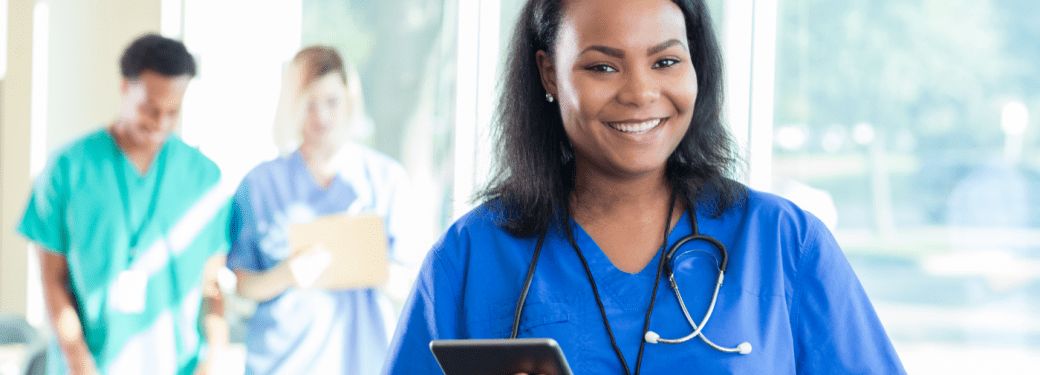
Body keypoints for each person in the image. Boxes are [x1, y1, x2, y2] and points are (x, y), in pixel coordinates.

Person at [383, 0, 906, 373]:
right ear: (549, 74)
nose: (639, 92)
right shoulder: (472, 255)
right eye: (603, 66)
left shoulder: (784, 242)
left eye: (666, 61)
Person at [18, 34, 230, 375]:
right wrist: (78, 360)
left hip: (180, 366)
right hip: (89, 366)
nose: (160, 123)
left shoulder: (204, 179)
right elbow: (51, 279)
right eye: (150, 109)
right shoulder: (67, 169)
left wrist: (215, 358)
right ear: (124, 88)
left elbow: (212, 286)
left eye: (172, 112)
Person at [227, 46, 413, 375]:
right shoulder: (259, 184)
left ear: (350, 101)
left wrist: (368, 262)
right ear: (291, 106)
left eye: (332, 102)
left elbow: (407, 285)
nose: (322, 117)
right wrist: (283, 276)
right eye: (309, 104)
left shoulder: (386, 180)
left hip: (362, 361)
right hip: (282, 362)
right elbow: (242, 282)